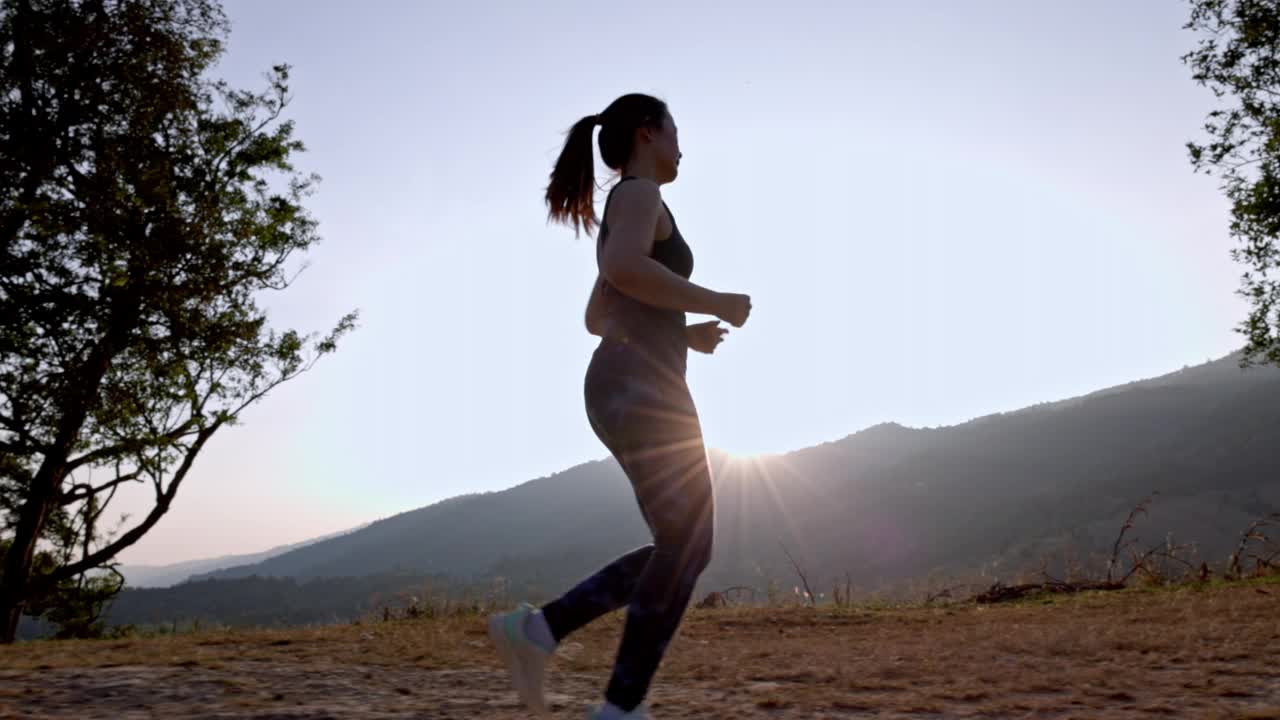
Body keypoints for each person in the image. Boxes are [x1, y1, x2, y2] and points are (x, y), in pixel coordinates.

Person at [487, 92, 752, 720]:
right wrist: (712, 301)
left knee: (681, 543)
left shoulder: (630, 202)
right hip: (640, 386)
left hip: (625, 380)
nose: (682, 145)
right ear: (647, 132)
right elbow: (622, 269)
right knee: (688, 542)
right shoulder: (638, 194)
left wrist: (682, 334)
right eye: (675, 130)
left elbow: (597, 314)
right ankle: (617, 707)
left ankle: (543, 633)